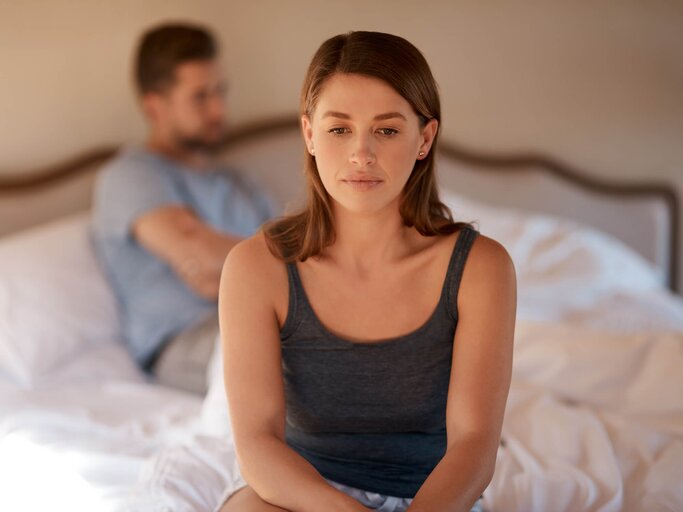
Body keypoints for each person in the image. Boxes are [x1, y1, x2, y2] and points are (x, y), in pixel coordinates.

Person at [218, 31, 516, 512]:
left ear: (424, 138)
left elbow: (475, 446)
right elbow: (257, 444)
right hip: (302, 498)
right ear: (310, 135)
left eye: (387, 129)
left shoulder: (481, 268)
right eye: (339, 129)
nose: (362, 154)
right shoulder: (257, 268)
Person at [91, 23, 273, 394]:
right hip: (187, 339)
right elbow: (204, 257)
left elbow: (300, 255)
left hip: (265, 319)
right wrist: (256, 269)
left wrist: (228, 273)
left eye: (220, 91)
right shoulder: (130, 175)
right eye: (200, 96)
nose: (219, 108)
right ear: (155, 106)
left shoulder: (238, 181)